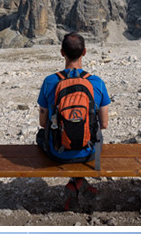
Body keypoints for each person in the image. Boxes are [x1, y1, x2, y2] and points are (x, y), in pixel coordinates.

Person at [37, 32, 111, 210]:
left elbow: (42, 122)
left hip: (58, 153)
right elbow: (105, 124)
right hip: (89, 152)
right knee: (93, 135)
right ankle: (78, 183)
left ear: (62, 52)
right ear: (84, 52)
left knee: (41, 135)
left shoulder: (49, 82)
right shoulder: (97, 82)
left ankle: (76, 183)